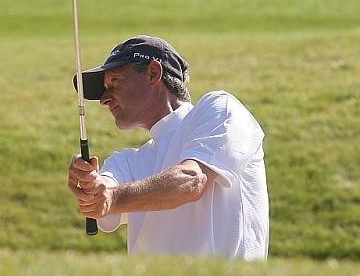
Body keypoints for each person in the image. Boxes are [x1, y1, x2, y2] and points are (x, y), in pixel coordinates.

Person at [67, 35, 268, 260]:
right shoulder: (126, 161)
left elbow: (193, 180)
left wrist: (111, 198)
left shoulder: (220, 107)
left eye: (115, 81)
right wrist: (91, 186)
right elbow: (106, 187)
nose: (104, 99)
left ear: (153, 73)